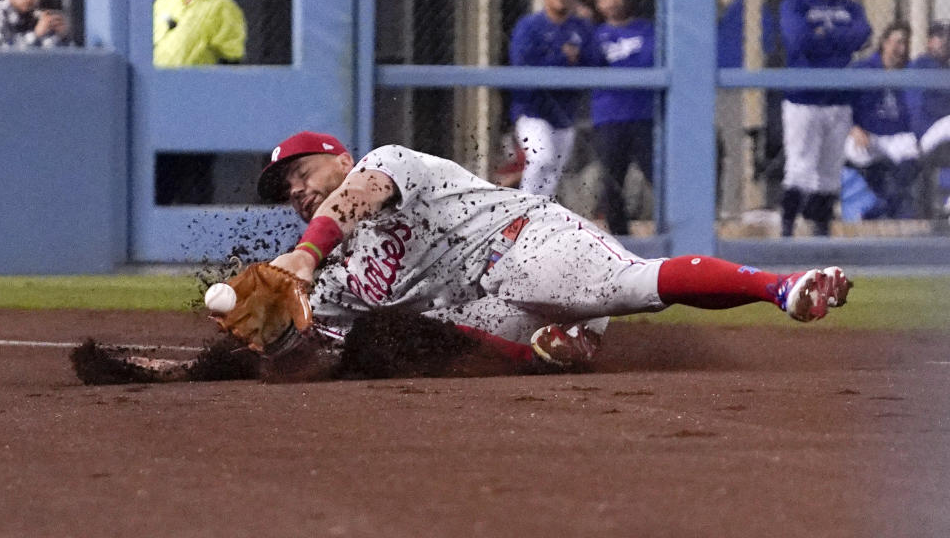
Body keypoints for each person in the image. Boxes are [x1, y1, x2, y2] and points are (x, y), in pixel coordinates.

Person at [248, 130, 851, 370]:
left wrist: (301, 256)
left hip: (526, 244)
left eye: (302, 173)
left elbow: (348, 205)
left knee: (631, 287)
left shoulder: (384, 164)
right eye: (285, 191)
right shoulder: (333, 279)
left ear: (341, 159)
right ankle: (573, 341)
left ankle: (782, 286)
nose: (296, 191)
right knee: (424, 343)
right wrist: (254, 339)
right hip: (483, 307)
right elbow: (310, 352)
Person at [778, 0, 872, 236]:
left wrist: (823, 35)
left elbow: (863, 35)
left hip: (838, 99)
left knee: (830, 172)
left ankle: (821, 233)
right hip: (803, 99)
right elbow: (798, 40)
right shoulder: (795, 2)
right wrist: (840, 41)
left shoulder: (850, 5)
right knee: (799, 168)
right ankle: (786, 232)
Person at [508, 0, 595, 197]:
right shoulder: (529, 26)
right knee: (541, 159)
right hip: (532, 110)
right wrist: (562, 57)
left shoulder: (581, 27)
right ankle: (523, 212)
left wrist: (580, 51)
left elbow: (596, 61)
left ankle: (539, 221)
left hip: (565, 112)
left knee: (553, 174)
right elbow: (521, 63)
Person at [589, 0, 655, 235]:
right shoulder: (594, 36)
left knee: (657, 177)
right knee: (612, 182)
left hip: (644, 115)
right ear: (597, 4)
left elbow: (649, 62)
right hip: (609, 118)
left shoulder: (646, 30)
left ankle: (672, 233)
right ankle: (620, 238)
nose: (611, 0)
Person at [844, 21, 919, 219]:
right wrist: (853, 128)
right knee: (855, 150)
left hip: (897, 136)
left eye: (906, 44)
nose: (901, 49)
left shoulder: (910, 71)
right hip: (868, 135)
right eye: (897, 42)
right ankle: (882, 202)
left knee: (912, 153)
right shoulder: (863, 69)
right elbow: (841, 105)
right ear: (884, 43)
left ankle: (885, 206)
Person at [906, 20, 950, 216]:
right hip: (925, 134)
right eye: (941, 37)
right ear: (929, 41)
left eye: (948, 37)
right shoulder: (920, 65)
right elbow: (920, 110)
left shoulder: (945, 69)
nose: (946, 41)